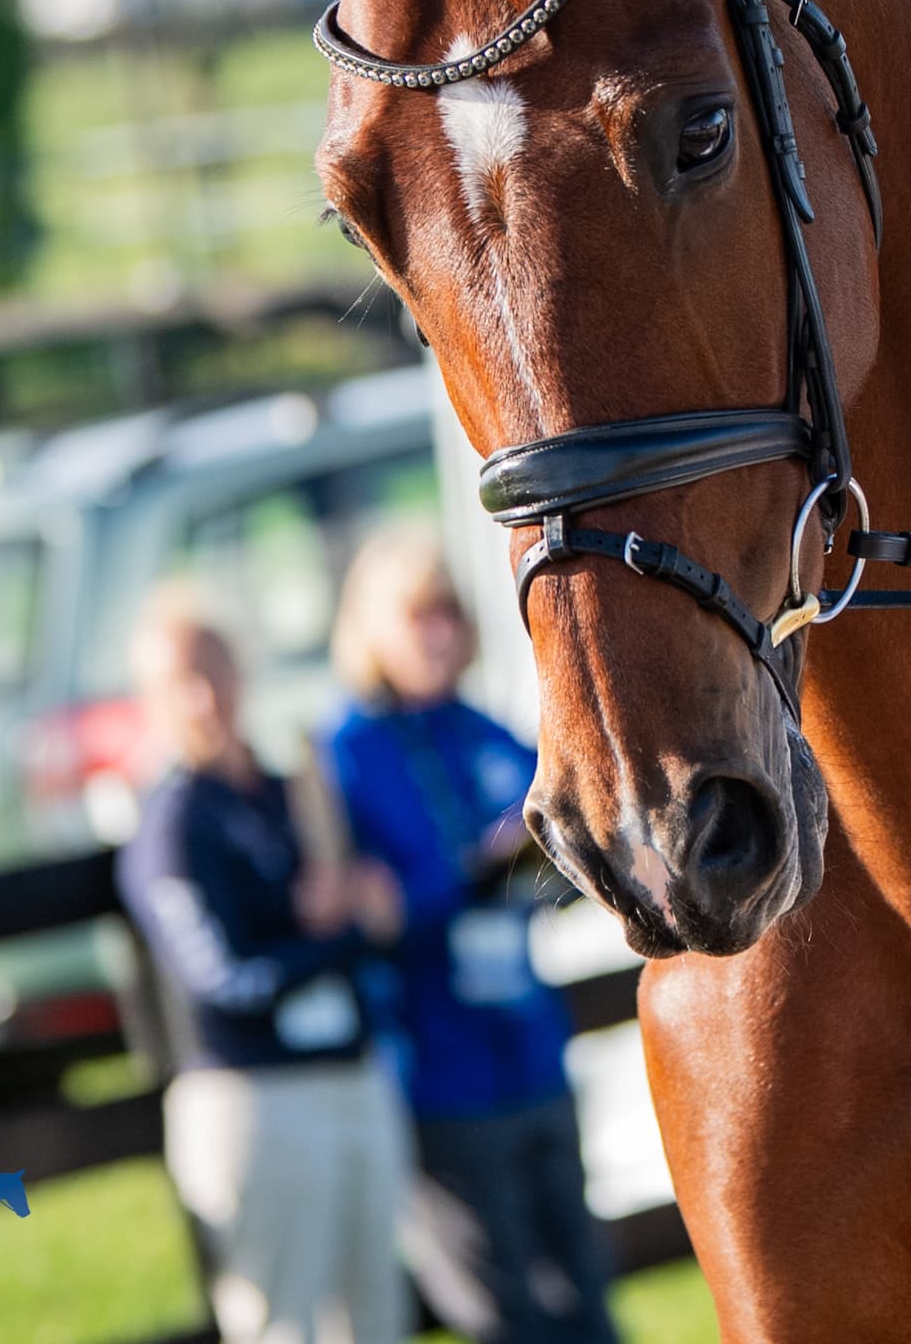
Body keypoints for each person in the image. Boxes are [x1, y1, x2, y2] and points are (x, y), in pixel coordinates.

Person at [323, 529, 618, 1344]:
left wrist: (546, 870)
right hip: (437, 1077)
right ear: (372, 629)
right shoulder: (347, 752)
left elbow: (573, 848)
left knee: (587, 1297)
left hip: (532, 1051)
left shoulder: (487, 730)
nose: (438, 632)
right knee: (504, 1316)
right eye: (417, 615)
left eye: (448, 611)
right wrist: (467, 869)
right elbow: (368, 915)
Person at [116, 589, 410, 1344]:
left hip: (354, 1076)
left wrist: (363, 901)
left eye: (216, 669)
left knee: (378, 1316)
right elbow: (224, 984)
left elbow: (374, 897)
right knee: (285, 1325)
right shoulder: (174, 826)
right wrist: (345, 936)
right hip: (258, 1101)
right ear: (151, 699)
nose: (205, 696)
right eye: (180, 680)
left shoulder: (292, 791)